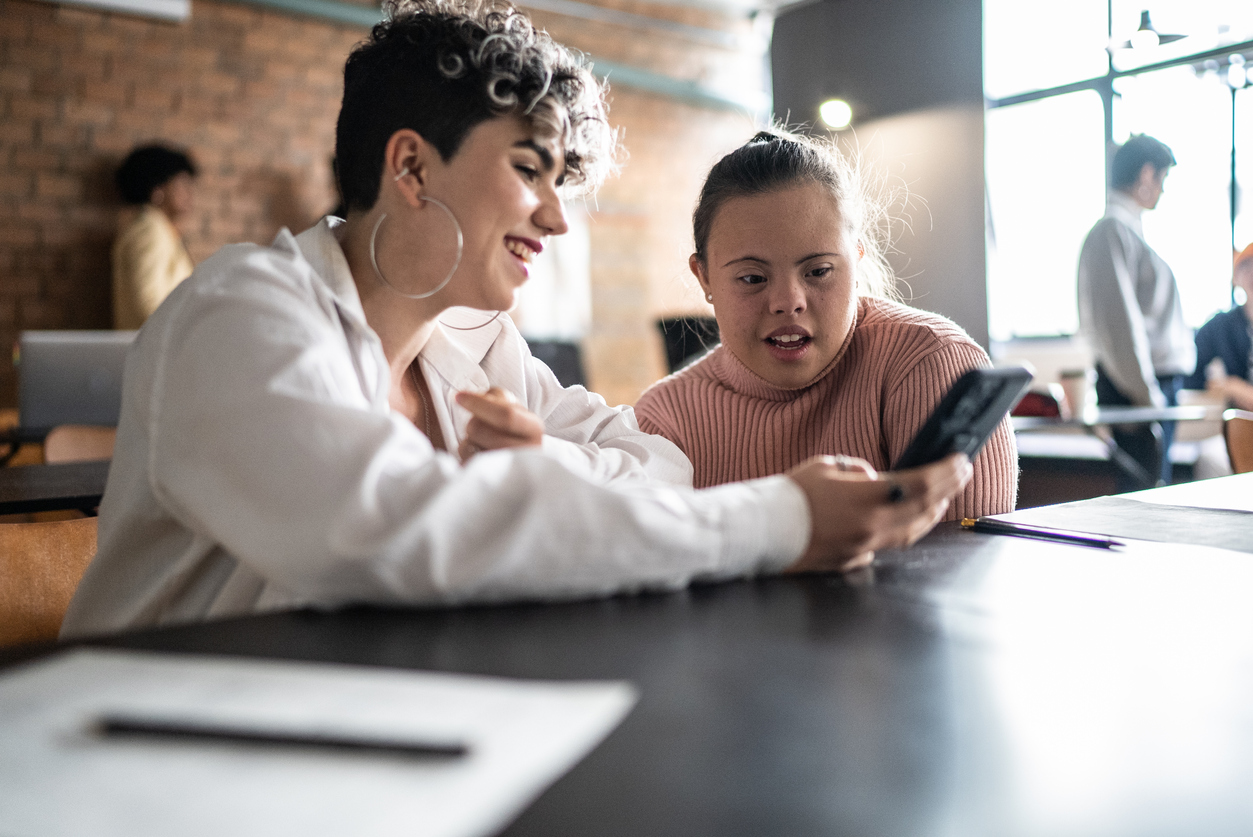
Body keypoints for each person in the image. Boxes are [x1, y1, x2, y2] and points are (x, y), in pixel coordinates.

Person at [61, 1, 971, 638]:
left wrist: (543, 461)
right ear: (411, 170)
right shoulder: (240, 313)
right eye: (529, 170)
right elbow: (393, 535)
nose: (556, 216)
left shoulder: (470, 339)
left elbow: (661, 464)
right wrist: (777, 519)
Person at [633, 130, 1016, 522]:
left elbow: (967, 575)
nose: (787, 302)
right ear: (705, 278)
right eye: (752, 278)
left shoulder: (931, 364)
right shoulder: (663, 420)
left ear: (857, 258)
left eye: (818, 271)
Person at [1077, 134, 1194, 487]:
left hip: (1151, 390)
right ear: (1146, 175)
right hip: (1140, 392)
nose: (1163, 190)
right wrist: (1149, 399)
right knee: (1144, 504)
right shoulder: (1112, 231)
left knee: (1153, 497)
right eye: (1162, 179)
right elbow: (1120, 328)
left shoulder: (1129, 231)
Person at [112, 144, 198, 330]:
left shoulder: (159, 229)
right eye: (182, 184)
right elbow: (147, 306)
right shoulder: (149, 228)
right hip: (154, 351)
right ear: (158, 189)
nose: (190, 193)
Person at [1185, 242, 1253, 411]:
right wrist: (1227, 386)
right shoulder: (1220, 326)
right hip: (1238, 422)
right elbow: (1189, 371)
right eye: (1246, 266)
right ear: (1236, 278)